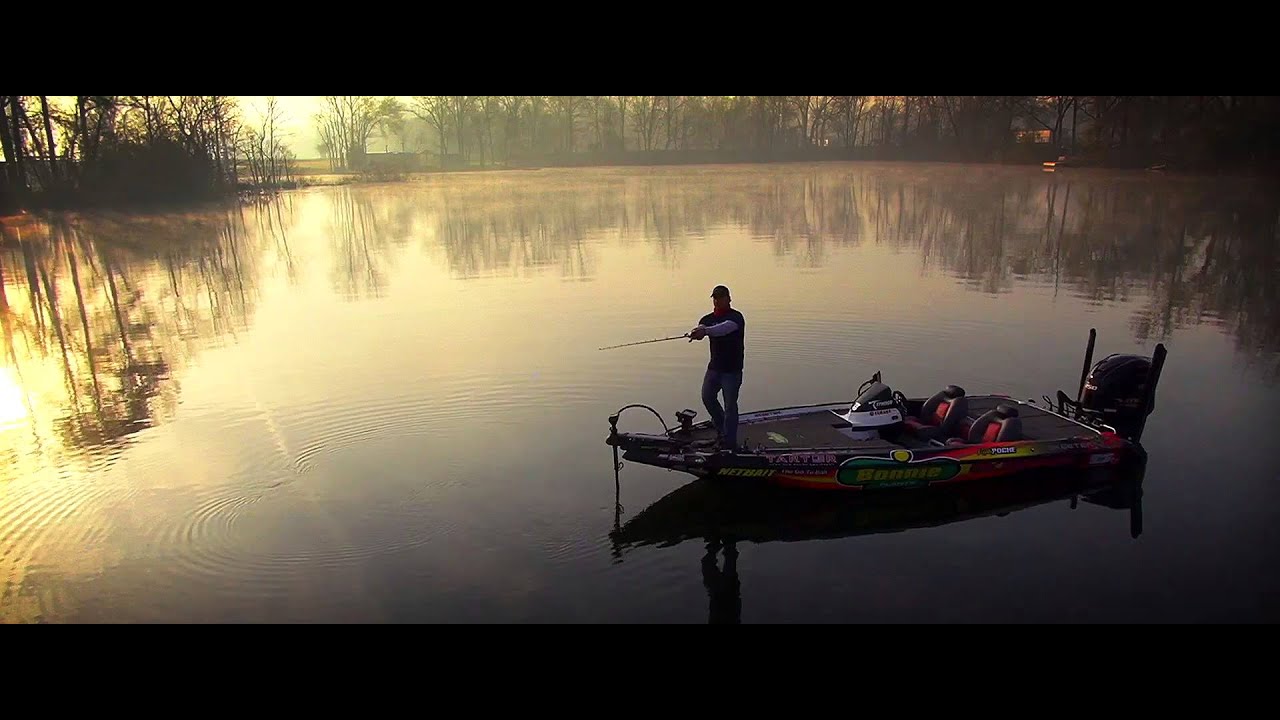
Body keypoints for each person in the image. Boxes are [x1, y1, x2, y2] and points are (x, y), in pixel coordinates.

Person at [689, 285, 745, 450]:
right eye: (715, 297)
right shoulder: (707, 319)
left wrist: (705, 331)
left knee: (730, 406)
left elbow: (722, 329)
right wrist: (697, 331)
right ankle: (722, 431)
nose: (717, 300)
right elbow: (702, 327)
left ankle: (730, 443)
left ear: (728, 299)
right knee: (707, 397)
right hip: (714, 368)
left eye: (720, 297)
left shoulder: (736, 318)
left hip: (732, 371)